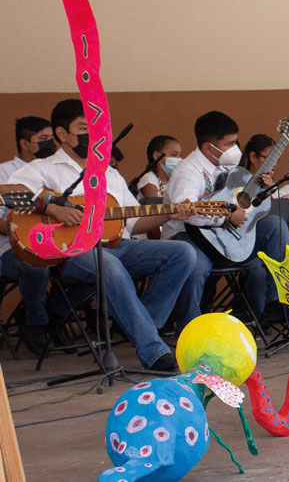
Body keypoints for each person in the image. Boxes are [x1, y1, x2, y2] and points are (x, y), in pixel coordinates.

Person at [7, 99, 197, 370]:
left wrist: (170, 214)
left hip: (114, 245)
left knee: (183, 253)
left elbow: (130, 223)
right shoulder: (42, 168)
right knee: (109, 264)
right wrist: (52, 207)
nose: (93, 133)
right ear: (62, 134)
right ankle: (152, 349)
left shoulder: (107, 172)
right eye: (84, 127)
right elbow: (6, 193)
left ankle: (145, 328)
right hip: (69, 251)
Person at [163, 111, 289, 319]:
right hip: (190, 236)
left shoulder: (225, 166)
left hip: (228, 236)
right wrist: (226, 217)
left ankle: (275, 300)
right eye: (229, 144)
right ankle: (188, 325)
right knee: (195, 264)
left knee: (275, 225)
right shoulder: (188, 172)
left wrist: (262, 189)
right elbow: (187, 212)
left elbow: (240, 198)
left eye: (235, 142)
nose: (234, 149)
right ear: (208, 147)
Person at [0, 117, 57, 354]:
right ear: (24, 143)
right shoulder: (4, 173)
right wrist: (22, 235)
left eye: (51, 139)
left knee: (96, 262)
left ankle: (57, 315)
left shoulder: (54, 169)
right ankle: (36, 323)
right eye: (43, 140)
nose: (50, 144)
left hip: (58, 243)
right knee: (35, 265)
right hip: (10, 249)